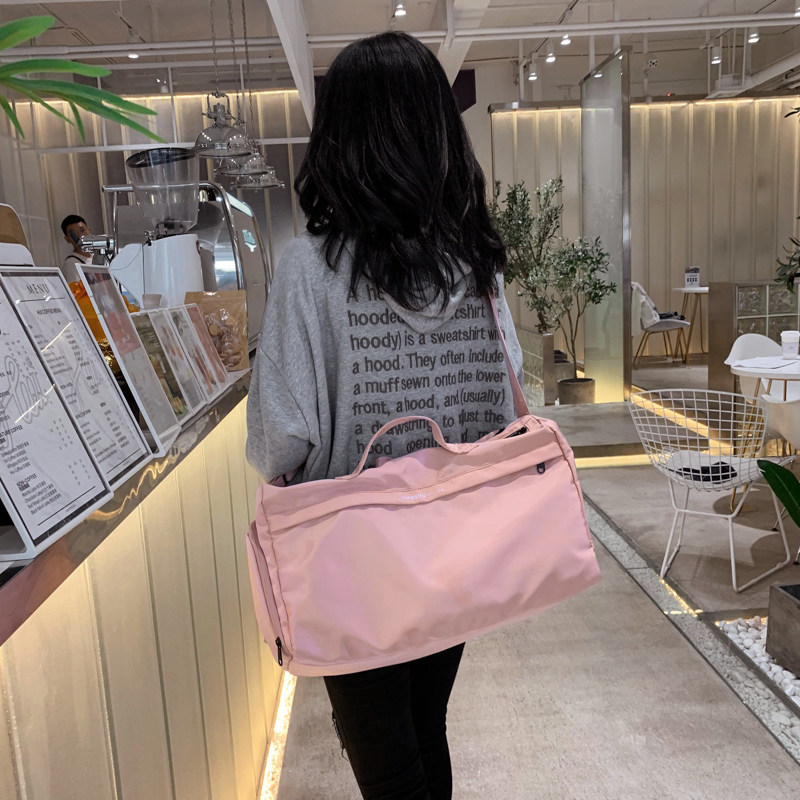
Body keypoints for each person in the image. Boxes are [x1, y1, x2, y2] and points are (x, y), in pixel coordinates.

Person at [246, 31, 523, 800]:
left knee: (389, 763)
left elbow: (279, 440)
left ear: (339, 139)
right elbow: (506, 402)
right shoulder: (475, 262)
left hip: (352, 564)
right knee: (425, 725)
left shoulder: (311, 267)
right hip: (455, 549)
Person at [60, 214, 92, 282]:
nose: (80, 236)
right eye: (74, 234)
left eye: (82, 230)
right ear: (67, 239)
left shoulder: (100, 255)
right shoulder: (71, 264)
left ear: (89, 231)